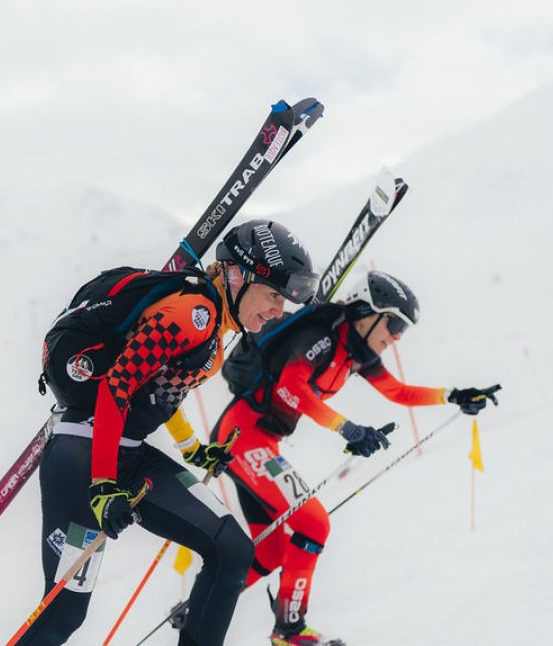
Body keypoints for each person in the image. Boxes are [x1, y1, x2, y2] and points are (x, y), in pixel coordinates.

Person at [21, 220, 320, 646]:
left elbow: (161, 392)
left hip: (126, 454)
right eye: (273, 295)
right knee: (64, 614)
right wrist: (103, 484)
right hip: (83, 459)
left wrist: (194, 449)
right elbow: (118, 385)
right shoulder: (192, 314)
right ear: (236, 276)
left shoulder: (214, 330)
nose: (278, 310)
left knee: (231, 548)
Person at [212, 271, 501, 646]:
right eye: (395, 323)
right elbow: (290, 387)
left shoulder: (356, 354)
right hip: (243, 438)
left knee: (269, 552)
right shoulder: (322, 339)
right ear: (366, 311)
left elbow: (398, 392)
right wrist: (347, 429)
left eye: (404, 330)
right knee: (313, 524)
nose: (396, 336)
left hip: (262, 442)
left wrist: (455, 395)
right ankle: (290, 631)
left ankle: (201, 604)